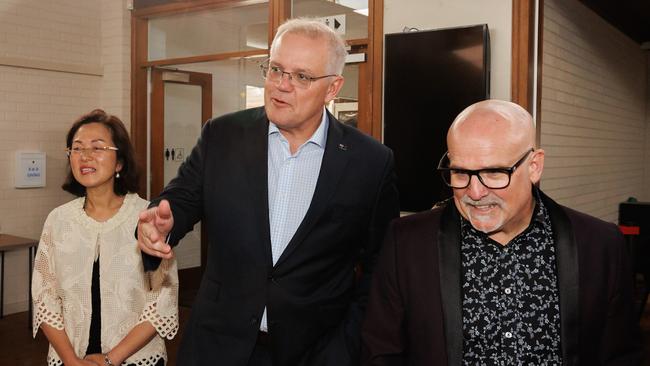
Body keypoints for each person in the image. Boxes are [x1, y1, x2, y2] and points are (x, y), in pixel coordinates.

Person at [136, 18, 399, 366]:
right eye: (275, 69)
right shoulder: (222, 136)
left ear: (333, 88)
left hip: (314, 351)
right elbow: (181, 199)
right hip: (218, 346)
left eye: (301, 76)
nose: (281, 85)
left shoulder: (370, 162)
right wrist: (160, 225)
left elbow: (381, 268)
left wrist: (345, 345)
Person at [361, 100, 640, 365]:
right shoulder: (406, 243)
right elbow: (381, 353)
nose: (475, 192)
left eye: (494, 172)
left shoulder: (600, 245)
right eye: (460, 173)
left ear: (534, 166)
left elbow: (619, 356)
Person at [32, 109, 179, 366]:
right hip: (70, 358)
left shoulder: (146, 218)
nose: (85, 156)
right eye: (76, 149)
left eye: (97, 148)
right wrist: (70, 360)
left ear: (120, 161)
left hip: (134, 358)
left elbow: (161, 302)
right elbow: (44, 297)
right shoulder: (59, 220)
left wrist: (110, 359)